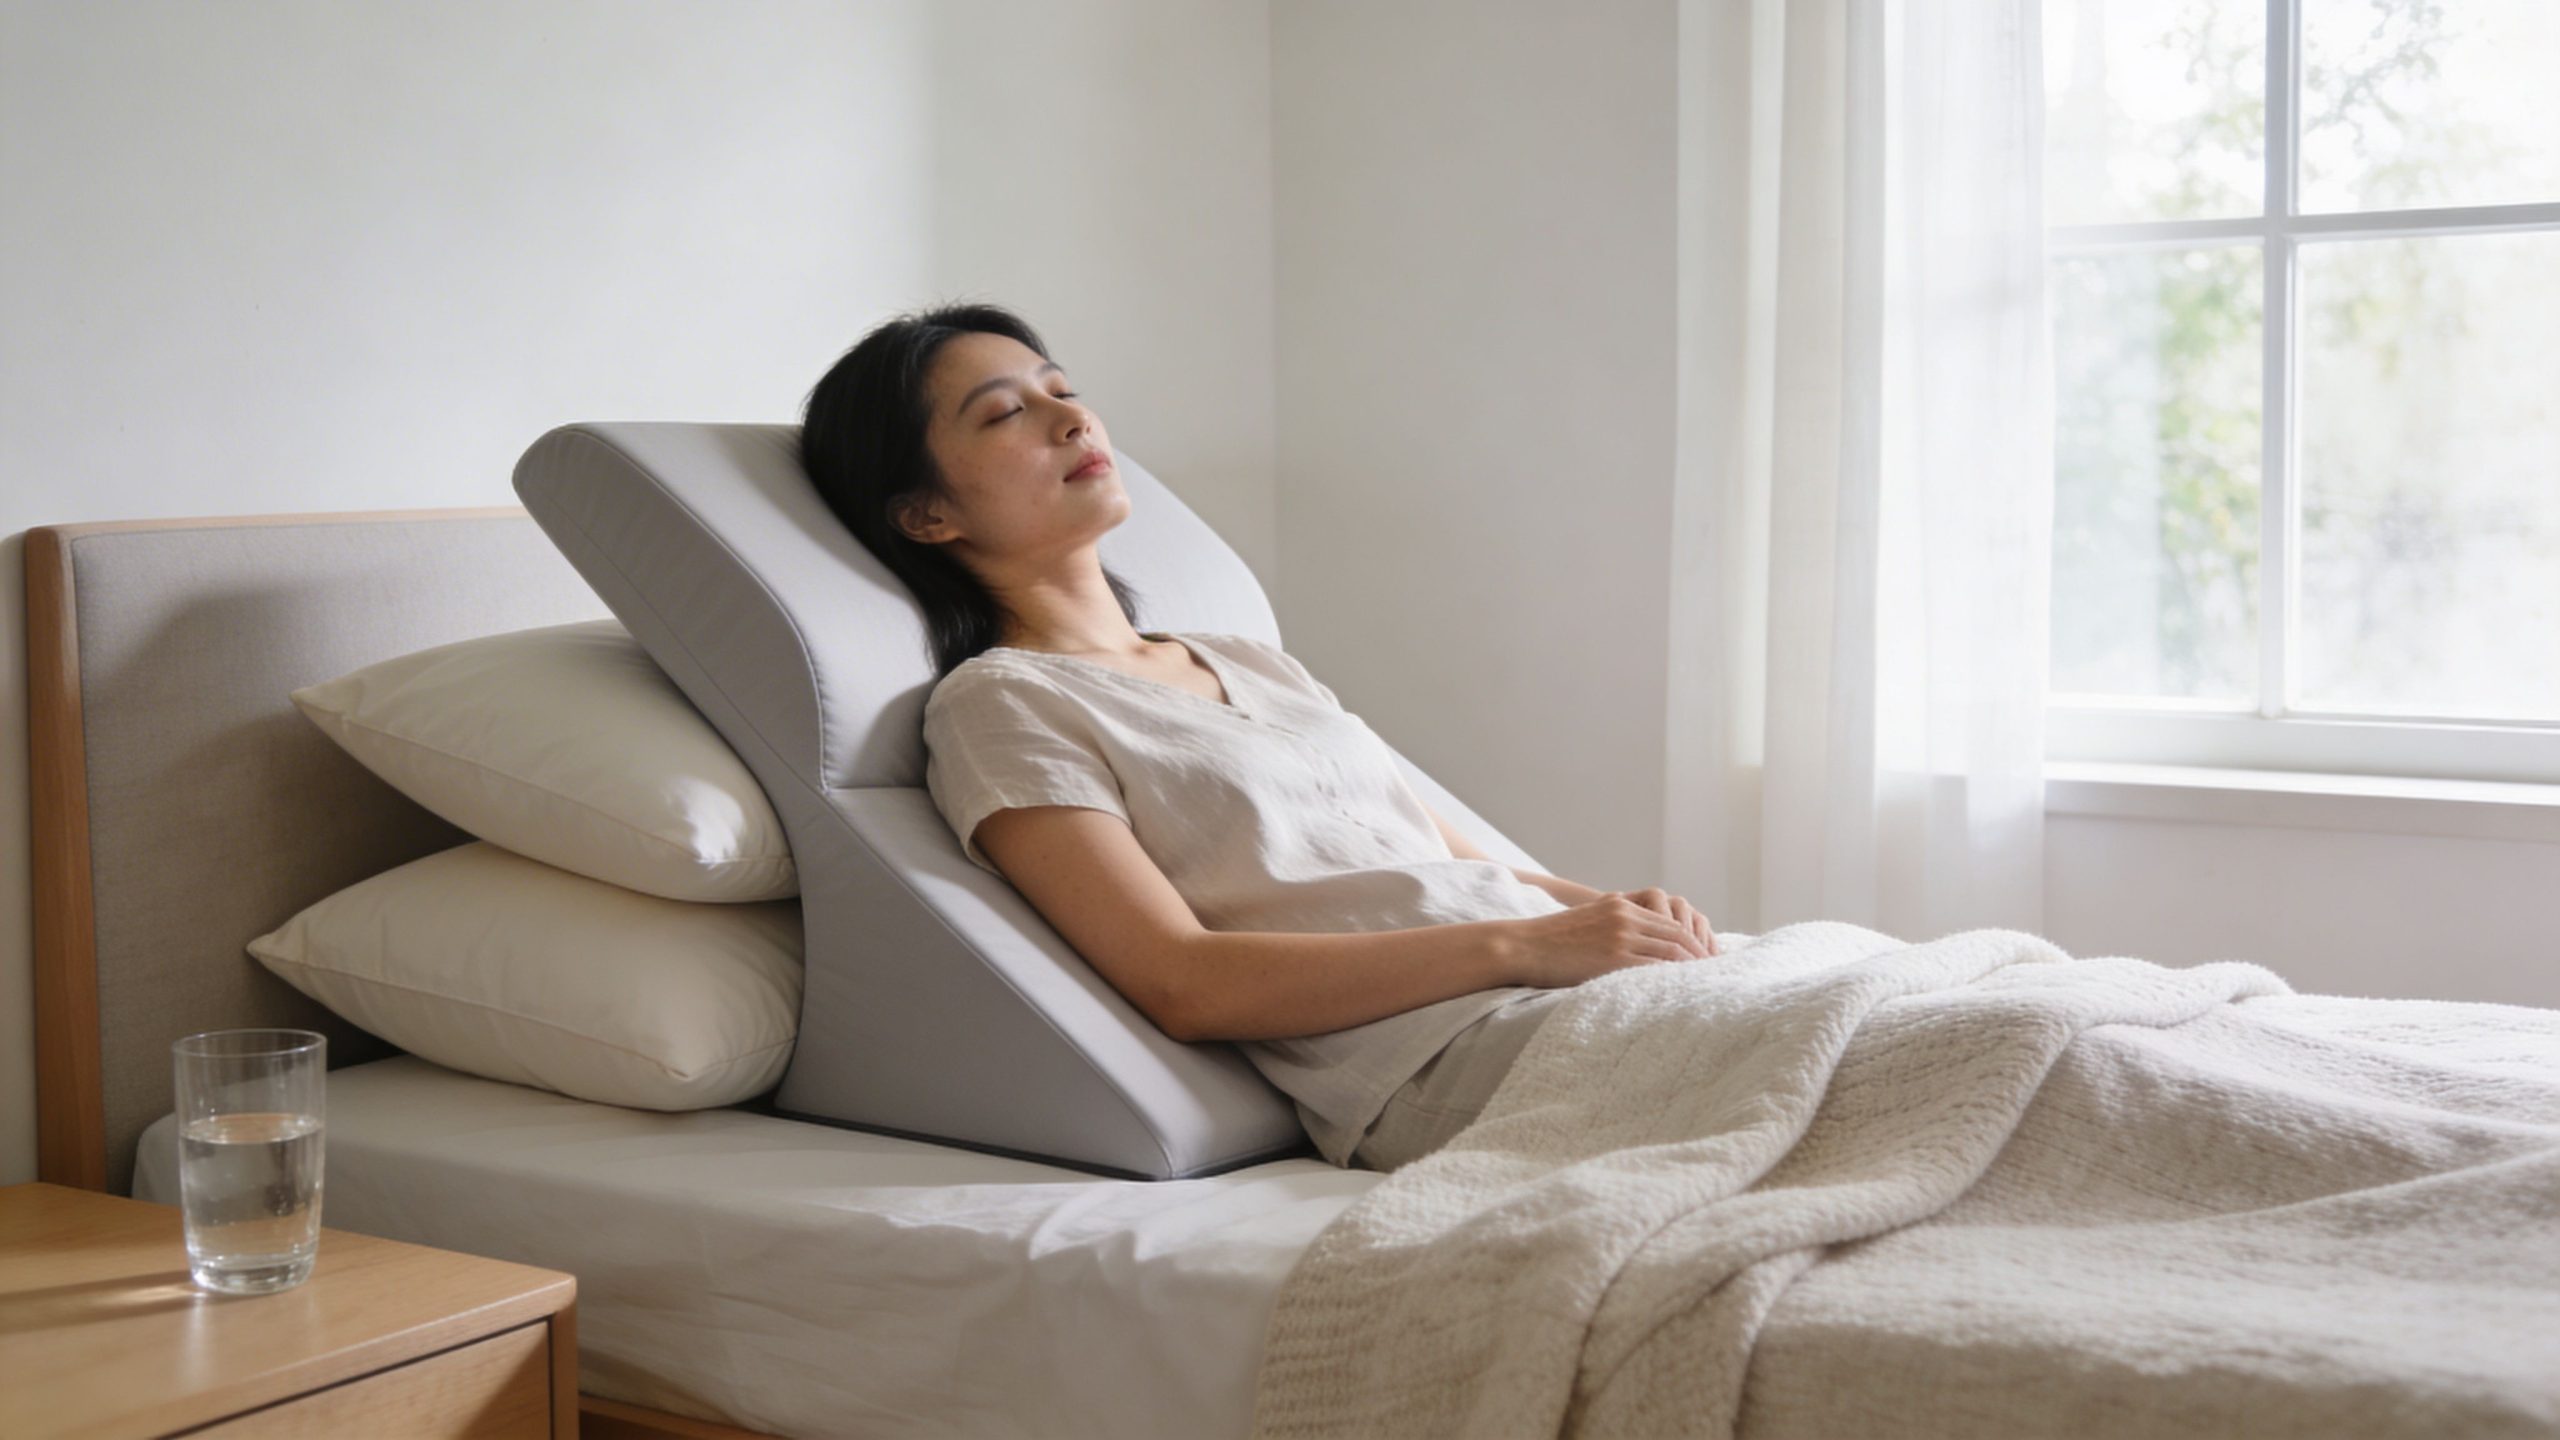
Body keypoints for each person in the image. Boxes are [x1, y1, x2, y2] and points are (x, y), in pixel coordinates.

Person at [800, 301, 1723, 1171]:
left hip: (1559, 993)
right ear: (927, 514)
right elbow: (1184, 983)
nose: (1072, 422)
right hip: (1444, 1055)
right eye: (1005, 414)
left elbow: (1456, 861)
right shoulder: (1002, 706)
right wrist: (1524, 949)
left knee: (1850, 994)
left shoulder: (1251, 660)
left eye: (1063, 390)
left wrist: (1624, 917)